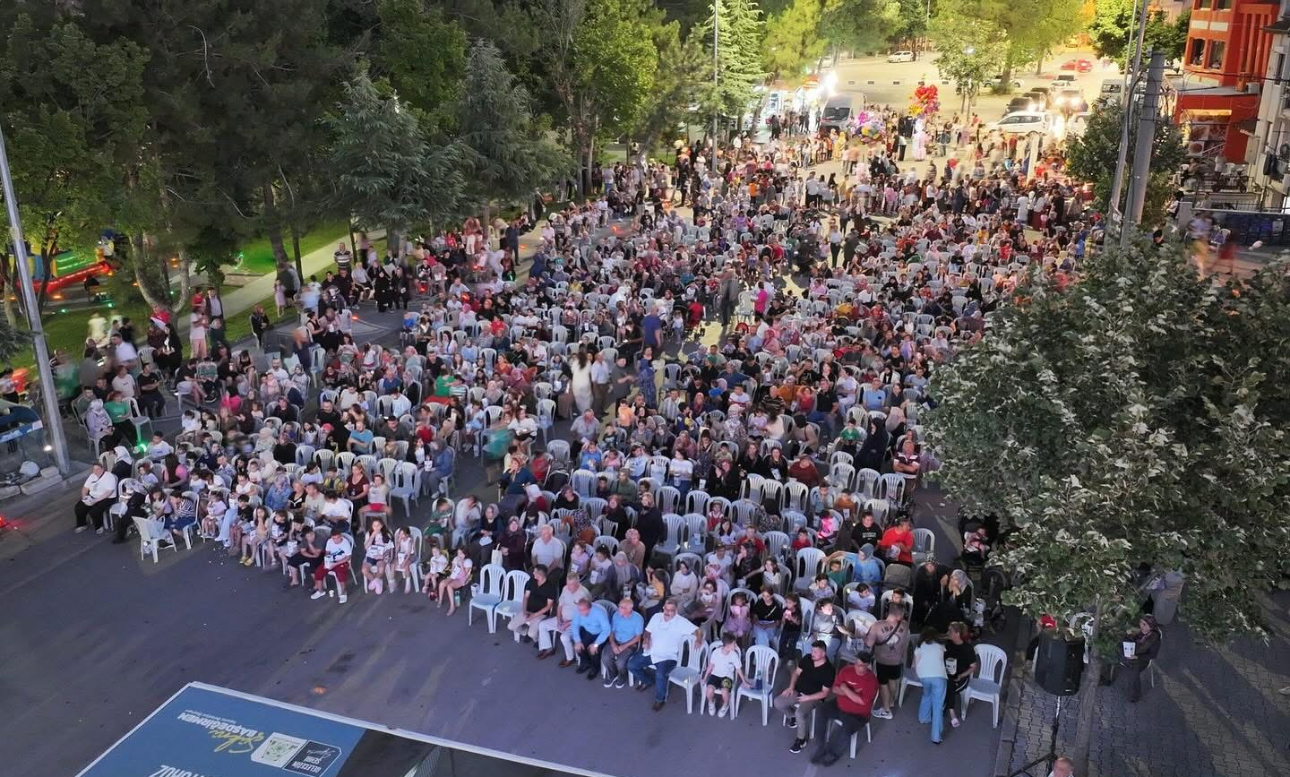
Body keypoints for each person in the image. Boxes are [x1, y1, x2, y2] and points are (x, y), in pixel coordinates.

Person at [627, 597, 702, 711]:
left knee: (660, 674)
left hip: (668, 656)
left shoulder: (681, 622)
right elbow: (647, 631)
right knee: (632, 665)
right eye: (665, 609)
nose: (667, 612)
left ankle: (660, 699)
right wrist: (646, 639)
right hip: (651, 652)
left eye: (670, 610)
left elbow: (697, 630)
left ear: (676, 611)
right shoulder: (657, 617)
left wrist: (699, 639)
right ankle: (648, 681)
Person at [810, 656, 879, 766]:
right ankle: (820, 745)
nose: (858, 668)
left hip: (858, 714)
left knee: (846, 729)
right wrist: (852, 693)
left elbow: (861, 701)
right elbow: (835, 689)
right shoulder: (846, 671)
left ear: (868, 666)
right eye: (857, 664)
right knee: (821, 709)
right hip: (839, 705)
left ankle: (833, 753)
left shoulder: (871, 681)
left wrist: (846, 688)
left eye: (862, 666)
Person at [774, 640, 837, 754]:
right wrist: (791, 687)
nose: (812, 653)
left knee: (800, 713)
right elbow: (796, 673)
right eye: (812, 651)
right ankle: (792, 717)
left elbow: (824, 693)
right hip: (798, 691)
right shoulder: (807, 658)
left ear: (823, 654)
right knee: (778, 702)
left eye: (815, 652)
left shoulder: (829, 670)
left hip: (814, 697)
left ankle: (801, 739)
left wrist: (807, 698)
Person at [1099, 614, 1162, 702]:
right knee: (1110, 653)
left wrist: (1137, 657)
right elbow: (1132, 640)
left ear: (1151, 626)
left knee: (1133, 671)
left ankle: (1134, 696)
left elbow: (1152, 655)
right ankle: (1106, 678)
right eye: (1141, 623)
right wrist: (1129, 635)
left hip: (1141, 659)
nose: (1141, 626)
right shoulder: (1140, 632)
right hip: (1130, 651)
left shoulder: (1154, 639)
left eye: (1144, 624)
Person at [864, 602, 909, 719]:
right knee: (893, 680)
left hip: (882, 660)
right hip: (897, 660)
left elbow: (869, 645)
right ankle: (891, 702)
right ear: (900, 614)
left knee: (883, 684)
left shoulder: (877, 626)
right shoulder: (905, 625)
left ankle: (886, 710)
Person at [912, 627, 948, 743]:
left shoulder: (920, 645)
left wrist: (919, 675)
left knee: (926, 694)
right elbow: (941, 661)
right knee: (938, 705)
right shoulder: (940, 646)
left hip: (923, 676)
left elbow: (916, 664)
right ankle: (936, 736)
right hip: (939, 676)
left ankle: (923, 718)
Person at [700, 632, 747, 717]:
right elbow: (710, 666)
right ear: (727, 646)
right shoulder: (716, 652)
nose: (736, 646)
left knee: (725, 691)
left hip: (727, 677)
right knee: (709, 690)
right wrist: (704, 677)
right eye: (734, 644)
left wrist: (744, 681)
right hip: (715, 675)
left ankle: (726, 705)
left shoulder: (734, 655)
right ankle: (711, 702)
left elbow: (738, 669)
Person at [601, 597, 645, 688]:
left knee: (620, 662)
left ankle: (622, 676)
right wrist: (613, 644)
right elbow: (611, 632)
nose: (619, 609)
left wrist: (623, 647)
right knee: (605, 657)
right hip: (616, 640)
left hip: (630, 643)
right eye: (619, 606)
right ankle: (612, 674)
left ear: (630, 609)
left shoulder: (638, 618)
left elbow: (637, 638)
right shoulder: (616, 615)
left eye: (622, 607)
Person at [509, 564, 558, 643]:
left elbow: (549, 606)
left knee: (532, 634)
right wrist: (524, 611)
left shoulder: (550, 587)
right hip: (528, 610)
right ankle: (526, 632)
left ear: (540, 574)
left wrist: (534, 615)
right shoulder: (531, 581)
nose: (533, 573)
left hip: (541, 614)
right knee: (511, 626)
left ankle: (538, 640)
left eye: (535, 572)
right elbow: (526, 597)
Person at [943, 621, 978, 729]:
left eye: (950, 631)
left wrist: (961, 675)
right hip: (947, 674)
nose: (948, 632)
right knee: (946, 682)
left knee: (950, 684)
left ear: (957, 633)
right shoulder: (947, 644)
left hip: (961, 677)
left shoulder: (967, 648)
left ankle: (951, 711)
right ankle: (947, 709)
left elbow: (973, 667)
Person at [568, 598, 612, 678]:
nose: (580, 612)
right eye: (579, 610)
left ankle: (595, 668)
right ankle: (586, 662)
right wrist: (577, 641)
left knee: (594, 651)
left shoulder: (599, 613)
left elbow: (606, 630)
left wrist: (596, 644)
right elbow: (574, 625)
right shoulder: (578, 610)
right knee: (578, 647)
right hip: (588, 630)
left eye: (583, 610)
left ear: (590, 608)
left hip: (600, 633)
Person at [310, 530, 354, 603]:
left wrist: (335, 564)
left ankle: (343, 592)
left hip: (342, 561)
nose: (335, 540)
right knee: (318, 571)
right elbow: (327, 552)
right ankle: (320, 591)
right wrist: (326, 561)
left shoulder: (345, 543)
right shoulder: (330, 541)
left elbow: (348, 557)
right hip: (331, 560)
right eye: (334, 538)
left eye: (337, 538)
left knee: (340, 574)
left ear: (341, 536)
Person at [74, 463, 118, 535]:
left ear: (102, 469)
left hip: (107, 498)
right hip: (92, 496)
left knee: (95, 510)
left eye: (97, 469)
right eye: (94, 469)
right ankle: (82, 524)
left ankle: (98, 526)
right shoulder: (92, 476)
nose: (95, 471)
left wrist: (96, 501)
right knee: (79, 507)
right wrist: (84, 497)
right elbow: (85, 488)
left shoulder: (109, 476)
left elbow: (109, 492)